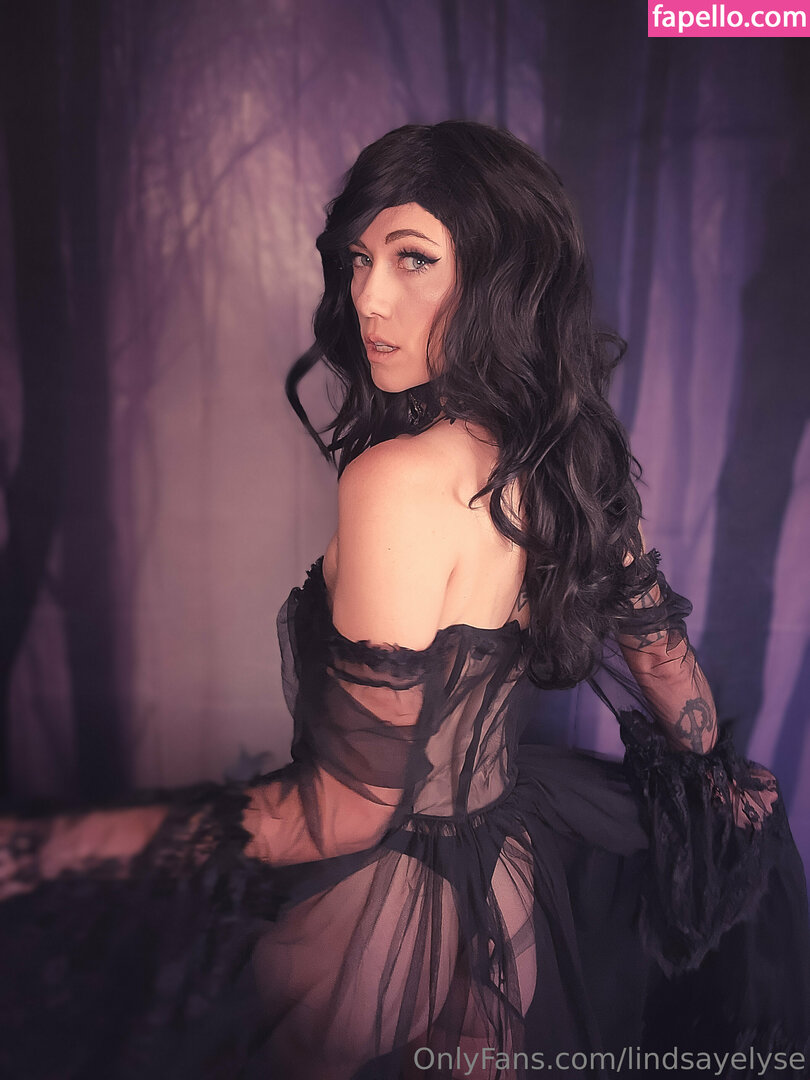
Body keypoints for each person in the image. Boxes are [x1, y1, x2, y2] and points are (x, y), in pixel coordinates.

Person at [1, 121, 809, 1080]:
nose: (368, 298)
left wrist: (59, 848)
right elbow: (677, 688)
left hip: (374, 923)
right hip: (505, 901)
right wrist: (716, 789)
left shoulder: (398, 479)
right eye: (359, 260)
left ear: (502, 276)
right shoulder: (573, 464)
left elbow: (346, 812)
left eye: (412, 258)